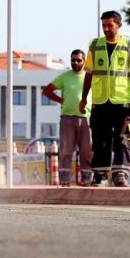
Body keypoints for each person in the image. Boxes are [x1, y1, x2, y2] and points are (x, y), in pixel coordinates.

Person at [79, 10, 130, 187]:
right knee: (100, 140)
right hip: (100, 102)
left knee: (123, 138)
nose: (106, 29)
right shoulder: (94, 45)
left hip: (123, 101)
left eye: (110, 25)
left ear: (119, 25)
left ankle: (120, 174)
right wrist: (84, 98)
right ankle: (100, 175)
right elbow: (89, 74)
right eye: (104, 25)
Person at [43, 49, 93, 186]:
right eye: (73, 60)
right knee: (66, 149)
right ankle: (65, 180)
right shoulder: (64, 77)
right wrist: (61, 100)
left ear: (84, 61)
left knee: (87, 150)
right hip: (67, 118)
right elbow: (47, 90)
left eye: (78, 60)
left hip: (86, 118)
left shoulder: (90, 77)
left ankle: (87, 179)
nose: (75, 62)